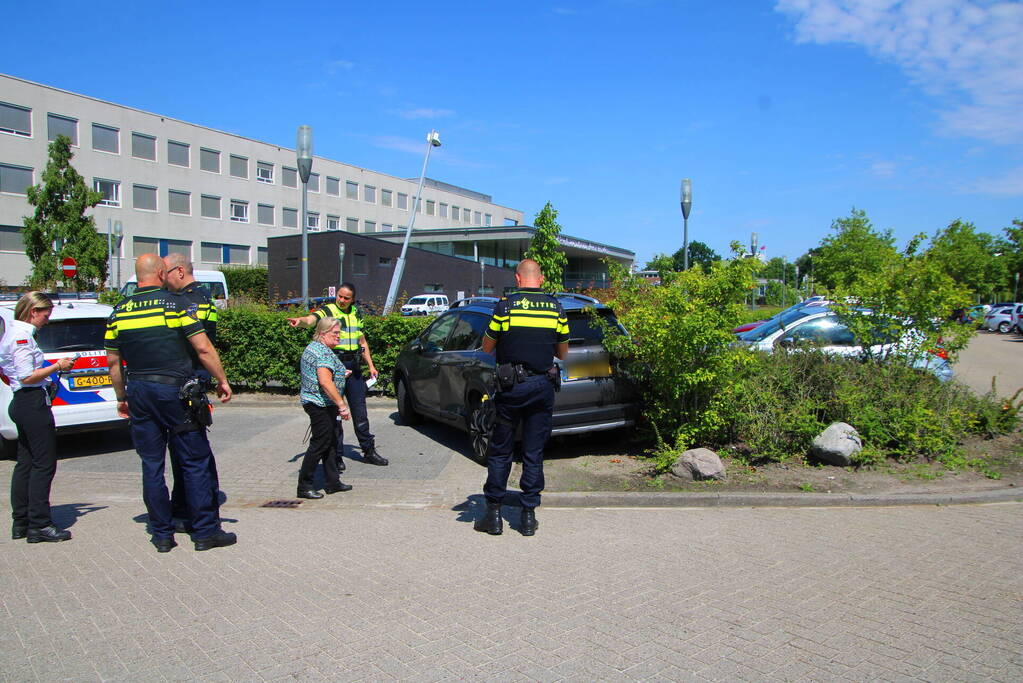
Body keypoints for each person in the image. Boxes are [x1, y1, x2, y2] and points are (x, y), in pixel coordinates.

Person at [106, 253, 236, 553]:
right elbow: (202, 348)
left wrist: (121, 397)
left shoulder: (119, 311)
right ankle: (205, 532)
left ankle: (162, 535)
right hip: (175, 393)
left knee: (151, 465)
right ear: (162, 273)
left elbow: (113, 363)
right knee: (194, 460)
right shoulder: (176, 304)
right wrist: (222, 380)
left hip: (138, 391)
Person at [474, 259, 568, 537]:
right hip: (542, 386)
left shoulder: (504, 307)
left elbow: (486, 346)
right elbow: (563, 354)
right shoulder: (556, 308)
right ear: (541, 279)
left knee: (501, 449)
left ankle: (493, 514)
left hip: (510, 386)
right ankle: (528, 517)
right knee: (533, 451)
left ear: (517, 279)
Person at [286, 283, 387, 468]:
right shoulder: (329, 310)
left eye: (346, 298)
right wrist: (300, 321)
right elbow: (312, 319)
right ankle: (336, 456)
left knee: (360, 411)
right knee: (335, 414)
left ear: (353, 299)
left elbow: (362, 341)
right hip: (335, 366)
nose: (341, 300)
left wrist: (370, 365)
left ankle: (368, 450)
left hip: (354, 366)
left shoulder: (357, 313)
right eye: (339, 296)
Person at [1, 292, 75, 543]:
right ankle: (40, 524)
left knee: (26, 462)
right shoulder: (22, 337)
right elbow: (26, 376)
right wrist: (58, 366)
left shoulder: (13, 333)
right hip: (31, 401)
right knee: (44, 464)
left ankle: (21, 521)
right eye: (46, 314)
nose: (47, 319)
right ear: (33, 311)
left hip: (23, 402)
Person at [162, 253, 222, 531]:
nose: (163, 278)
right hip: (195, 378)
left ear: (180, 271)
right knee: (192, 445)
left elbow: (195, 343)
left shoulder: (190, 301)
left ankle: (189, 505)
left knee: (188, 448)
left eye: (166, 272)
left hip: (188, 380)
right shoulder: (201, 296)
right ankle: (192, 501)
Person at [297, 318, 354, 498]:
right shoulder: (322, 353)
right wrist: (342, 405)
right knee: (320, 443)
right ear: (322, 334)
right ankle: (304, 486)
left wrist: (340, 373)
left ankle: (332, 482)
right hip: (319, 404)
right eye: (335, 333)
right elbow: (325, 382)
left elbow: (324, 374)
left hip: (316, 401)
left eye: (339, 332)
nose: (339, 336)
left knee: (330, 442)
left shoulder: (315, 348)